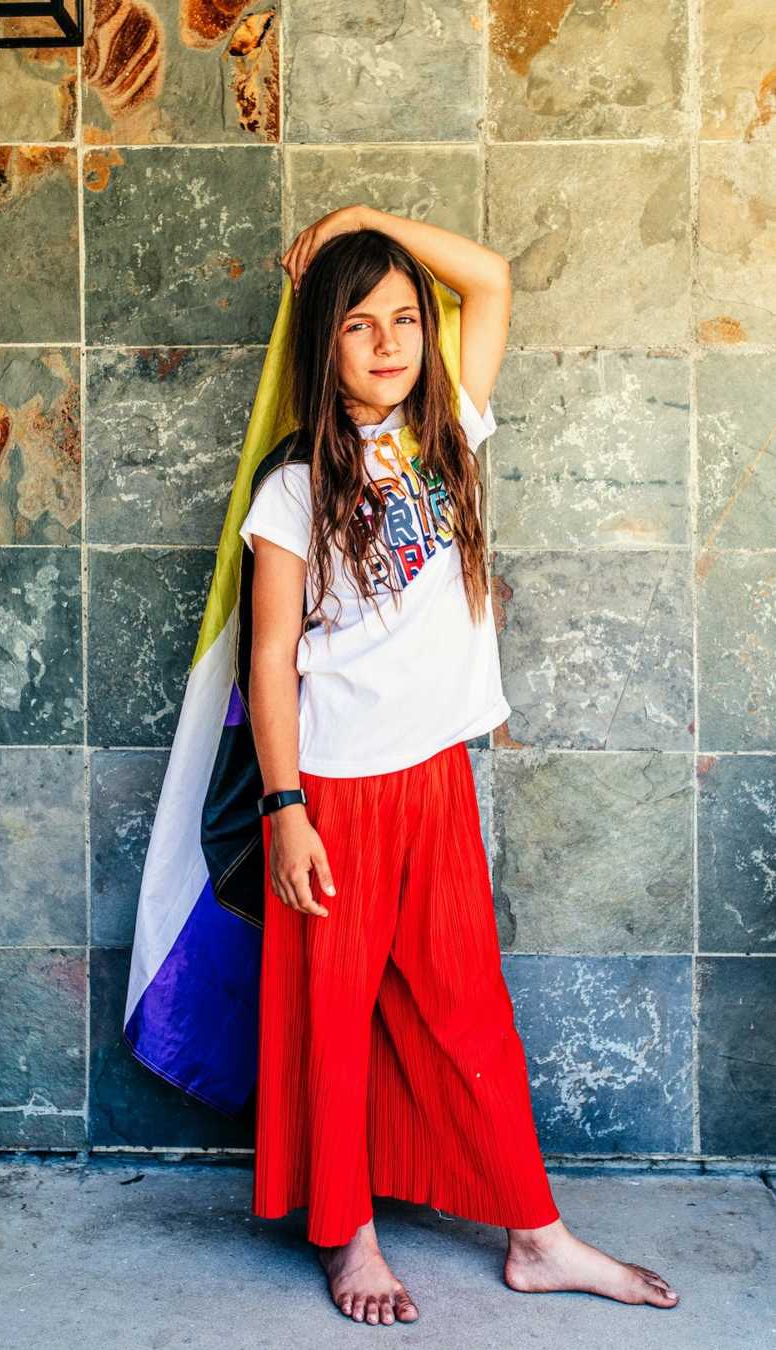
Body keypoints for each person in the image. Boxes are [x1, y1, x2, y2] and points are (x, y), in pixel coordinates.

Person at [235, 204, 680, 1327]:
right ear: (322, 346)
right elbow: (272, 656)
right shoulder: (294, 489)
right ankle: (349, 1237)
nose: (391, 341)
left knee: (465, 1009)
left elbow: (488, 280)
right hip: (335, 792)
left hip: (433, 777)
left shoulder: (448, 433)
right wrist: (285, 809)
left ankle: (538, 1236)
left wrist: (360, 218)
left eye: (403, 320)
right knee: (334, 1023)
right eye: (360, 326)